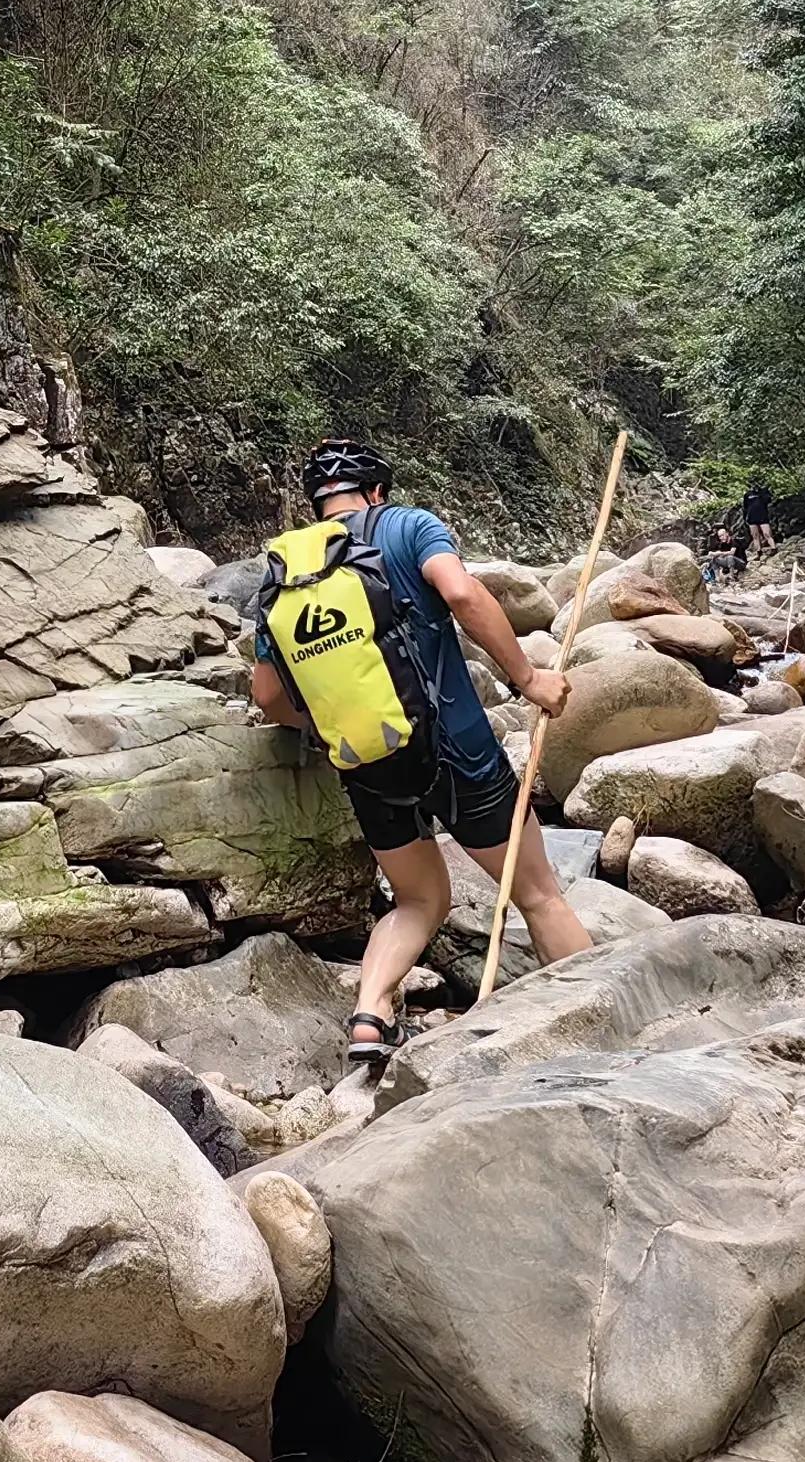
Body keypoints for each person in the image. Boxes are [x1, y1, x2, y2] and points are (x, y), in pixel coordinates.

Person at [247, 439, 589, 1075]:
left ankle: (371, 1014)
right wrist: (528, 679)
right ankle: (599, 1021)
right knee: (537, 894)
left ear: (317, 504)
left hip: (367, 762)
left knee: (416, 901)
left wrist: (328, 728)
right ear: (376, 489)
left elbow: (267, 695)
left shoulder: (285, 571)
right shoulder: (406, 525)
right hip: (457, 749)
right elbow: (461, 594)